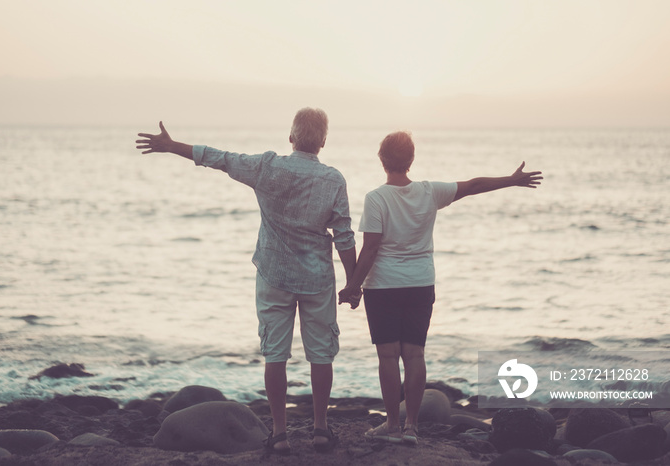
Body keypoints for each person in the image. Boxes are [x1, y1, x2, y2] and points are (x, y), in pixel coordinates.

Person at [136, 108, 357, 454]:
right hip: (317, 280)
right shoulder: (334, 180)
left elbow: (219, 158)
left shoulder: (266, 167)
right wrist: (354, 283)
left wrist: (172, 145)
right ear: (324, 141)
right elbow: (343, 235)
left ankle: (281, 434)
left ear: (291, 137)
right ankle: (320, 430)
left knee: (275, 355)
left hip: (274, 275)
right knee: (321, 356)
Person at [339, 130, 542, 445]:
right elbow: (473, 185)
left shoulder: (376, 198)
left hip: (384, 287)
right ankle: (412, 428)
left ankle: (393, 424)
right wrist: (511, 180)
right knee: (415, 354)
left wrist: (353, 286)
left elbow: (371, 248)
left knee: (389, 357)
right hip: (421, 283)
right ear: (411, 160)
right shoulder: (429, 191)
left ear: (382, 160)